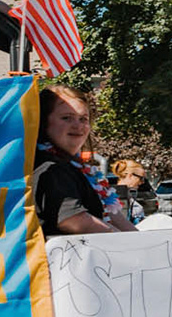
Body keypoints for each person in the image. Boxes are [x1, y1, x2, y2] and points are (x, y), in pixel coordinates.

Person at [34, 86, 140, 237]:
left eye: (83, 119)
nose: (78, 126)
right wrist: (121, 241)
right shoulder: (49, 168)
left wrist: (142, 243)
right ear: (44, 122)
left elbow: (114, 215)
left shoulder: (78, 168)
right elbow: (72, 219)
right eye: (66, 118)